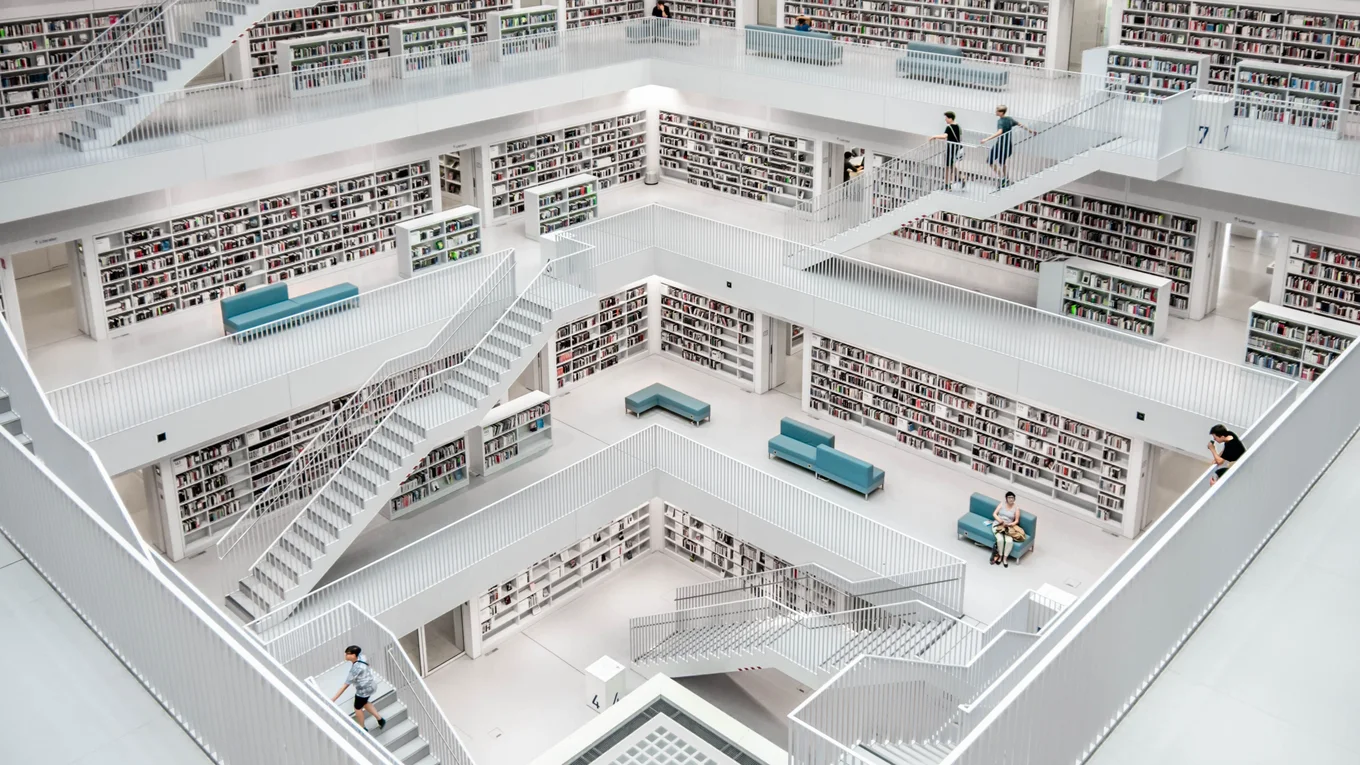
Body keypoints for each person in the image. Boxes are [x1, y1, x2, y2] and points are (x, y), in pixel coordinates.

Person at [333, 645, 386, 732]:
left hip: (364, 690)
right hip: (371, 686)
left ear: (354, 655)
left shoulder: (356, 669)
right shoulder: (361, 657)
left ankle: (362, 728)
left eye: (348, 654)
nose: (345, 655)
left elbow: (345, 685)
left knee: (357, 707)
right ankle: (380, 719)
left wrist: (333, 699)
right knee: (364, 703)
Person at [982, 105, 1036, 188]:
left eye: (997, 111)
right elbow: (1020, 124)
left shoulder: (1000, 121)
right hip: (1008, 146)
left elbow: (1000, 132)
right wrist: (1031, 131)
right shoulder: (1010, 119)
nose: (995, 112)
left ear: (1001, 112)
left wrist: (986, 139)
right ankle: (1006, 178)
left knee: (990, 162)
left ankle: (1002, 178)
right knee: (1002, 163)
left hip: (1000, 145)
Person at [928, 111, 964, 190]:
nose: (945, 120)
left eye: (946, 118)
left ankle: (948, 184)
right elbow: (960, 137)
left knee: (948, 167)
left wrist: (934, 136)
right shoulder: (958, 126)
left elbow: (944, 136)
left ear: (950, 118)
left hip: (950, 148)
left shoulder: (949, 127)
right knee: (951, 165)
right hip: (956, 148)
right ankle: (962, 178)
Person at [992, 492, 1021, 567]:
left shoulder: (1016, 508)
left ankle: (1005, 558)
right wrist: (1000, 521)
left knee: (1009, 541)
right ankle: (1000, 556)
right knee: (1000, 539)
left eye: (1012, 498)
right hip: (998, 525)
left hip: (1008, 527)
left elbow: (1016, 520)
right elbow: (994, 514)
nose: (1011, 499)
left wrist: (1009, 524)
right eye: (1009, 497)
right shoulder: (1002, 504)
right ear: (1006, 498)